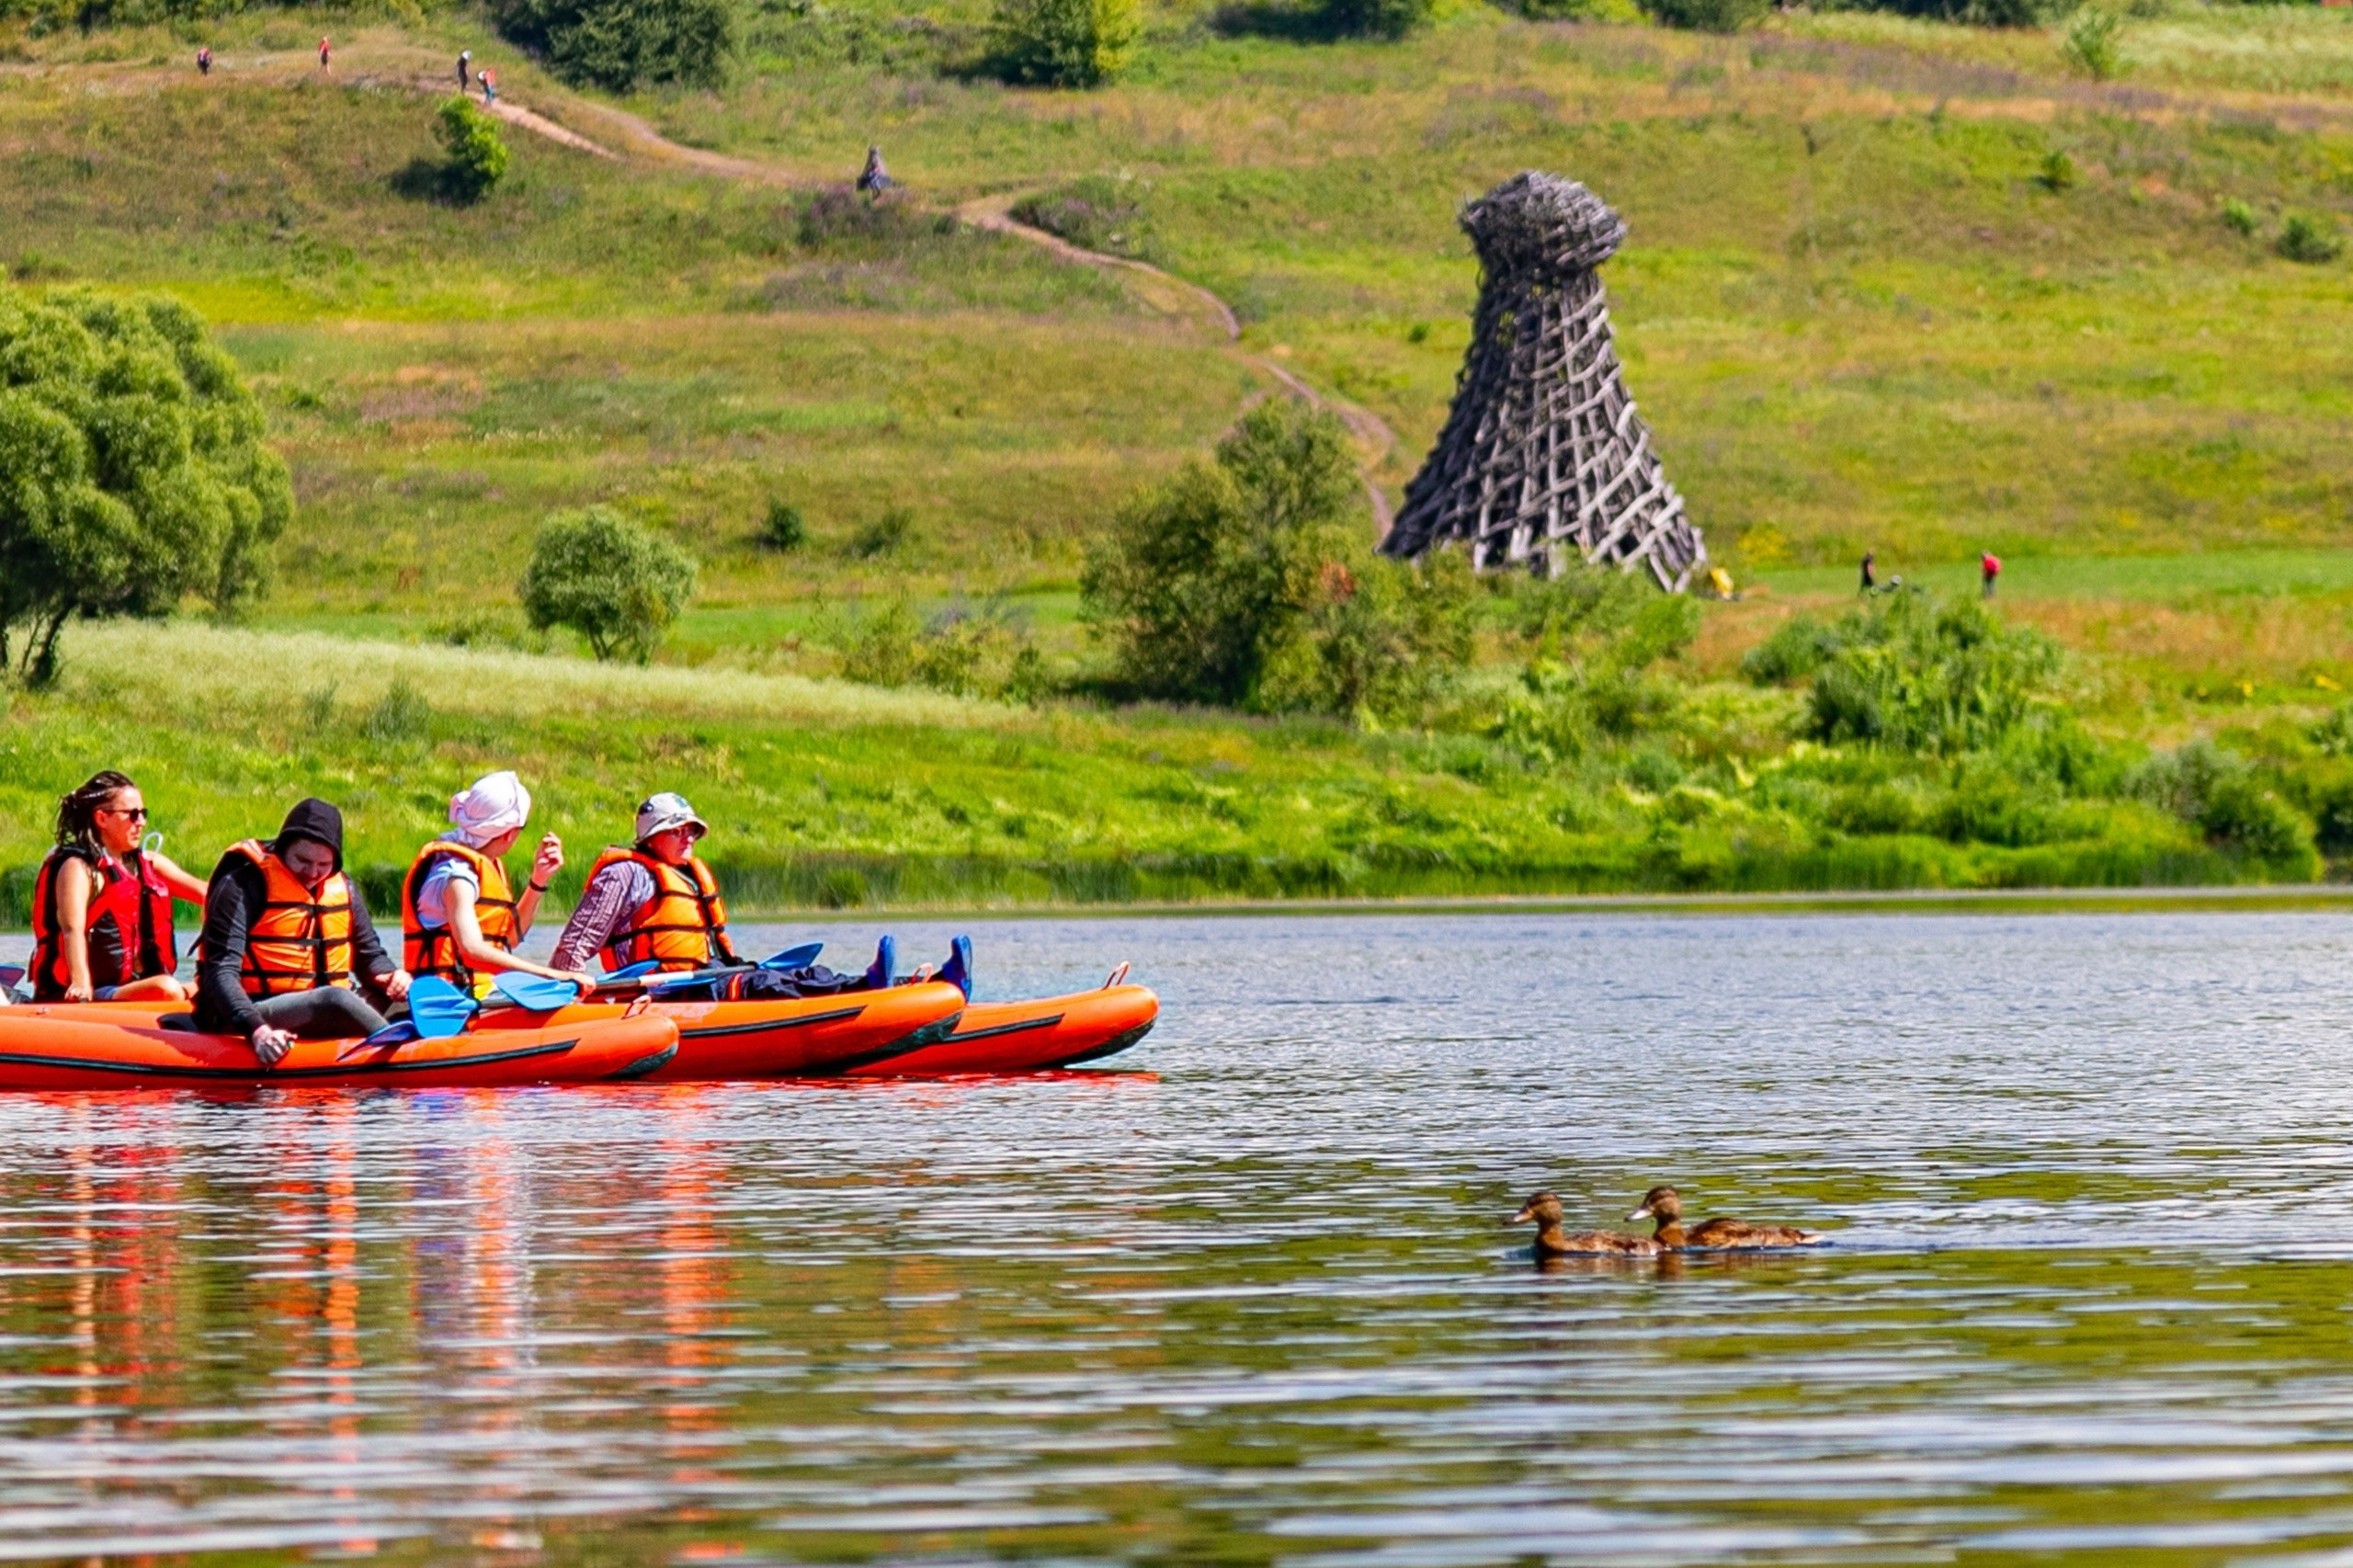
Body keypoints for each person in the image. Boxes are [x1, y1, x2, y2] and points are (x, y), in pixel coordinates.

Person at [550, 792, 972, 999]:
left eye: (692, 830)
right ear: (652, 837)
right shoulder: (626, 874)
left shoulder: (688, 874)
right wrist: (568, 995)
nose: (688, 837)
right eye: (677, 830)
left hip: (707, 975)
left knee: (803, 975)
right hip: (663, 988)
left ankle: (914, 984)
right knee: (766, 983)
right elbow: (574, 945)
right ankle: (874, 990)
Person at [193, 799, 411, 1065]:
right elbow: (220, 973)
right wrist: (258, 1031)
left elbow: (369, 956)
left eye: (323, 864)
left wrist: (391, 977)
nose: (312, 873)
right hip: (255, 1009)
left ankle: (429, 1045)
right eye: (302, 860)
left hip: (325, 1005)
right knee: (335, 998)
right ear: (284, 849)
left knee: (405, 1001)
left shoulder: (344, 887)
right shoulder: (242, 885)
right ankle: (406, 1057)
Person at [402, 771, 597, 998]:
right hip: (448, 999)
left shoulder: (486, 865)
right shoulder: (456, 876)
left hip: (482, 994)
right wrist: (553, 975)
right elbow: (473, 951)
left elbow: (509, 939)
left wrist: (538, 881)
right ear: (509, 833)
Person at [26, 771, 208, 1004]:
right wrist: (81, 983)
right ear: (102, 818)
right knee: (167, 988)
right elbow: (72, 929)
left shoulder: (148, 864)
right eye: (132, 815)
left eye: (143, 814)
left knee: (208, 986)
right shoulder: (78, 868)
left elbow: (207, 894)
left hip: (137, 985)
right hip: (93, 992)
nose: (141, 822)